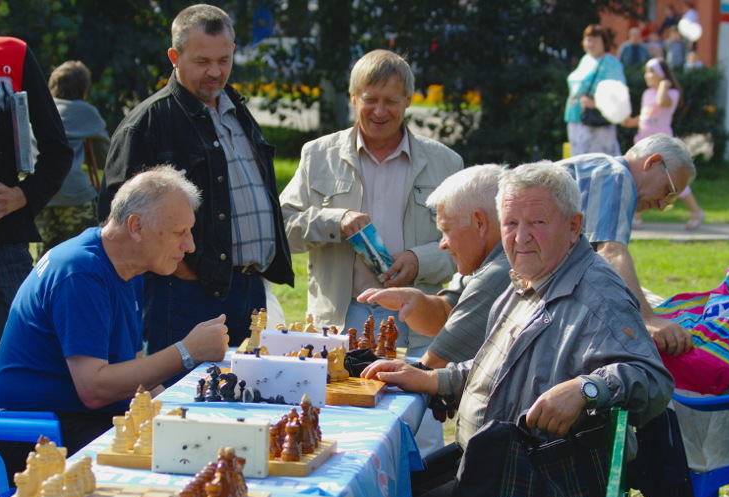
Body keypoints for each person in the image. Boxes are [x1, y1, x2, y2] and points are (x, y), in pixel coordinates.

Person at [362, 161, 674, 497]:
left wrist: (586, 388)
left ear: (575, 225)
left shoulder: (596, 295)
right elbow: (502, 370)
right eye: (510, 223)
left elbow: (653, 379)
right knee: (387, 495)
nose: (521, 237)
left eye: (538, 222)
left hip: (543, 484)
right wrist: (431, 381)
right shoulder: (529, 276)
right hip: (492, 458)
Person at [0, 166, 230, 482]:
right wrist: (187, 352)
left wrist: (182, 410)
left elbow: (134, 371)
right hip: (41, 439)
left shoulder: (125, 266)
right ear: (136, 227)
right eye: (178, 233)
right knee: (191, 464)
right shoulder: (81, 273)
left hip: (77, 421)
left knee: (211, 444)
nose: (190, 246)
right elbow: (94, 389)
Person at [99, 4, 293, 385]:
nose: (216, 71)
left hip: (249, 288)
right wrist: (183, 269)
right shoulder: (148, 123)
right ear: (174, 57)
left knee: (247, 403)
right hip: (185, 294)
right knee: (183, 410)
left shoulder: (237, 109)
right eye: (203, 61)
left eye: (224, 59)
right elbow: (117, 221)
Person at [279, 49, 462, 353]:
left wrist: (419, 260)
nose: (380, 111)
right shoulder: (317, 155)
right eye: (370, 99)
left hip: (415, 320)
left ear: (408, 101)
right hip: (339, 318)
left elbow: (468, 250)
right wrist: (334, 221)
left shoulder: (447, 163)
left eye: (391, 100)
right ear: (353, 99)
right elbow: (283, 232)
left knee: (411, 400)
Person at [356, 164, 510, 371]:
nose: (442, 244)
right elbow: (446, 314)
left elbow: (432, 367)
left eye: (446, 230)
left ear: (480, 223)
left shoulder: (497, 274)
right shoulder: (483, 263)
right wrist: (413, 301)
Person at [0, 36, 73, 377]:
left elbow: (58, 152)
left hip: (1, 250)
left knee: (21, 377)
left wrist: (22, 195)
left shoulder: (11, 54)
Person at [559, 133, 696, 357]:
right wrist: (648, 318)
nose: (662, 205)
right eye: (667, 192)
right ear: (652, 162)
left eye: (671, 201)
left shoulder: (608, 171)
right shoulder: (617, 174)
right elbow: (610, 253)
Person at [36, 60, 110, 255]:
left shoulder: (40, 109)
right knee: (81, 254)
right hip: (76, 197)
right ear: (84, 89)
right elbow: (108, 158)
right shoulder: (85, 111)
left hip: (41, 194)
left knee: (45, 258)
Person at [622, 58, 706, 230]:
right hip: (644, 144)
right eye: (646, 71)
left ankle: (696, 211)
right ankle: (635, 215)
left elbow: (663, 103)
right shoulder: (647, 94)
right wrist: (630, 121)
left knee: (672, 181)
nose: (647, 76)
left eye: (651, 72)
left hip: (662, 145)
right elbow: (646, 115)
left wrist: (664, 86)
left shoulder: (670, 92)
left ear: (661, 74)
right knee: (639, 177)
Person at [564, 24, 627, 156]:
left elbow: (620, 96)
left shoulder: (611, 63)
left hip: (597, 124)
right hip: (576, 118)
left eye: (595, 40)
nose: (590, 44)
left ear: (604, 43)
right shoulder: (586, 59)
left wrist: (595, 104)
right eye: (588, 40)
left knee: (597, 165)